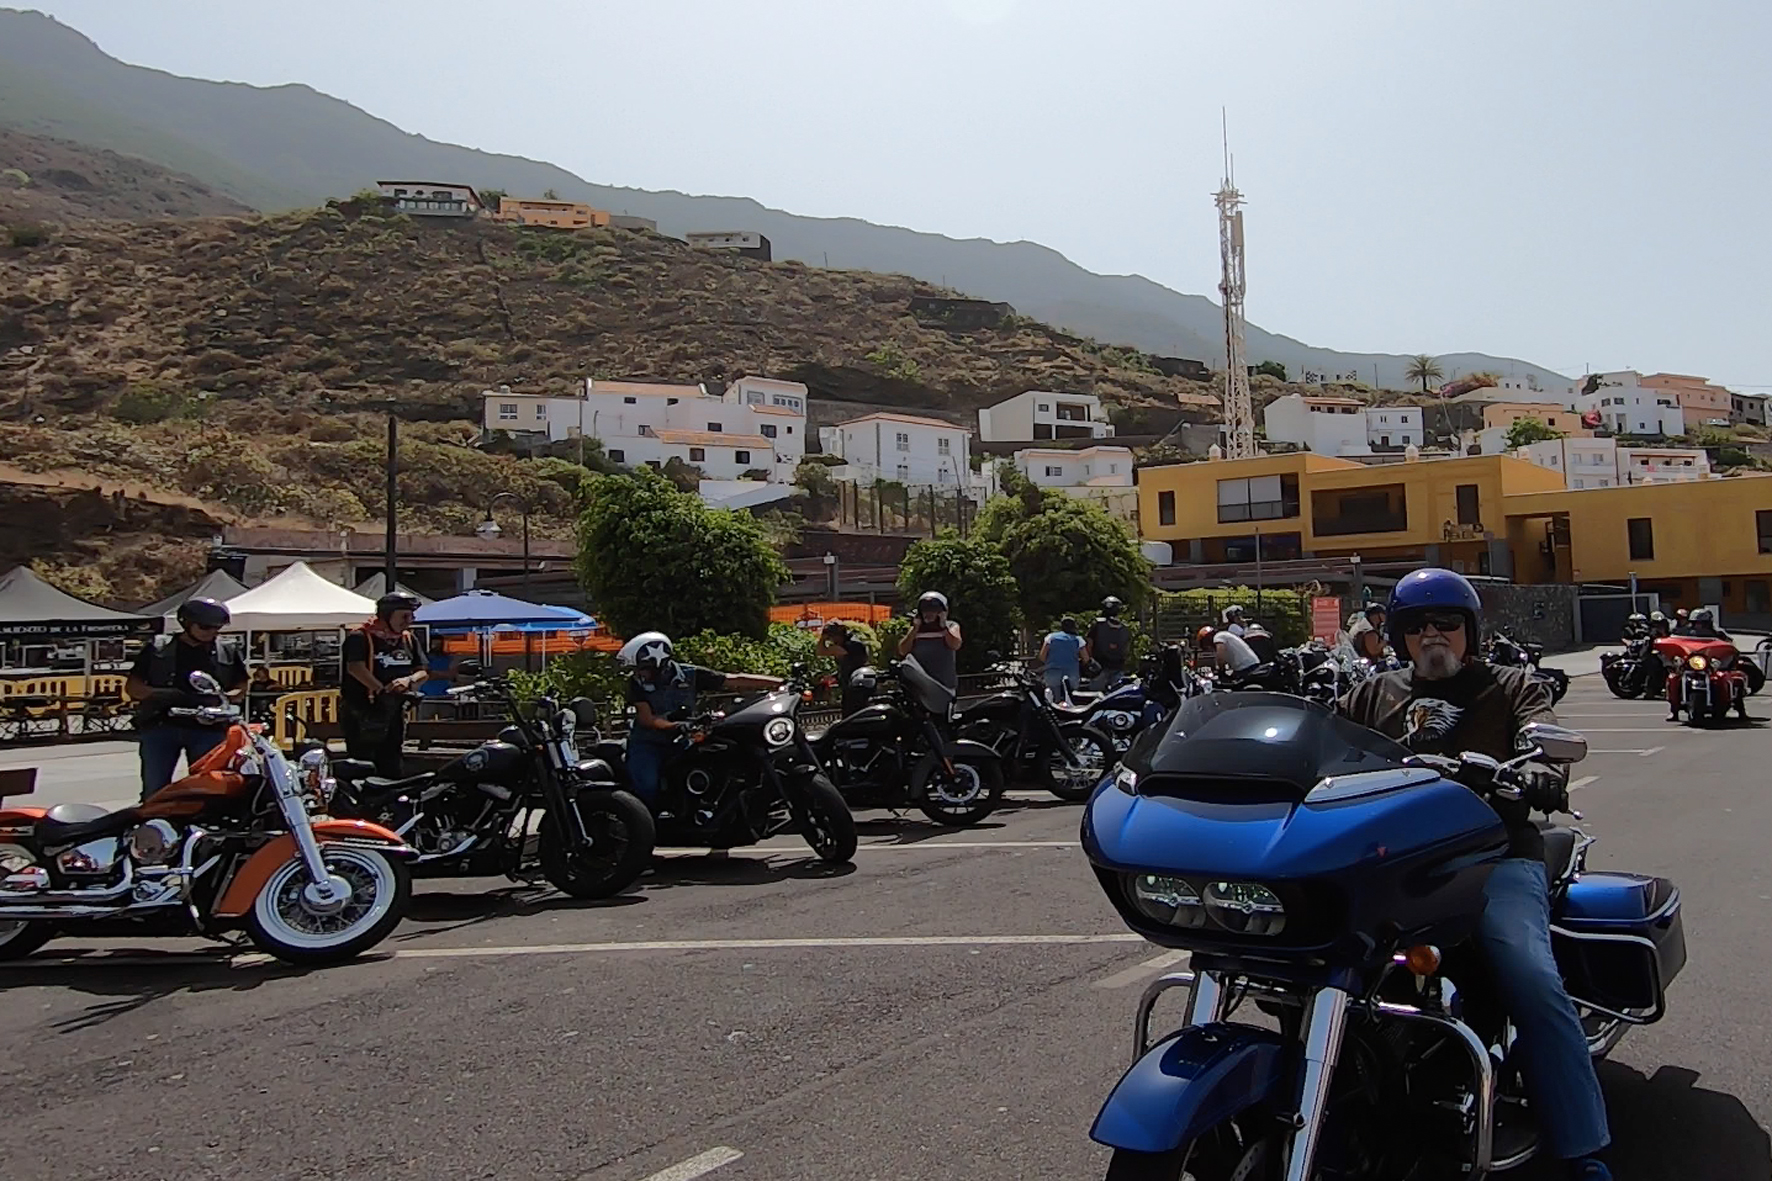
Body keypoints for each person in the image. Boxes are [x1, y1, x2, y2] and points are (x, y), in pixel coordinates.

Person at [1338, 568, 1610, 1180]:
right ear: (1401, 635)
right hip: (1394, 863)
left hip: (1495, 856)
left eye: (1448, 625)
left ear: (1469, 632)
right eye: (1419, 626)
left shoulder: (1512, 686)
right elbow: (1324, 748)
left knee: (1529, 976)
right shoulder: (1370, 694)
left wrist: (1542, 773)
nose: (1434, 636)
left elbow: (1547, 748)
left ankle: (1581, 1148)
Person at [617, 631, 781, 810]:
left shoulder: (691, 674)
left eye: (642, 668)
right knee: (648, 786)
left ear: (658, 664)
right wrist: (679, 726)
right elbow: (648, 719)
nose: (638, 673)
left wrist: (779, 683)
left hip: (685, 741)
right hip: (648, 744)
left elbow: (733, 679)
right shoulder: (636, 684)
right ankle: (648, 829)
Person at [125, 597, 249, 800]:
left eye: (217, 628)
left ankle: (201, 828)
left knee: (209, 788)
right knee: (155, 789)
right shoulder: (158, 648)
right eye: (205, 627)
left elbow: (241, 686)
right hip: (162, 726)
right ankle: (154, 827)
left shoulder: (227, 650)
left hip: (209, 728)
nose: (212, 633)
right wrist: (163, 695)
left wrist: (223, 699)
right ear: (186, 623)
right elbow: (133, 687)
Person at [340, 592, 427, 776]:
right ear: (387, 615)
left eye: (411, 616)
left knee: (392, 764)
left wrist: (408, 680)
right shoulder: (360, 637)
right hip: (364, 713)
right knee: (364, 765)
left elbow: (423, 671)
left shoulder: (408, 639)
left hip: (394, 713)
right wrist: (381, 689)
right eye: (404, 616)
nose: (409, 621)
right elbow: (355, 667)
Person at [897, 591, 962, 691]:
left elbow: (955, 645)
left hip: (943, 684)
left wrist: (943, 626)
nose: (928, 614)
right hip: (921, 685)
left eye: (933, 611)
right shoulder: (916, 630)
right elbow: (903, 650)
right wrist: (915, 629)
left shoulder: (951, 626)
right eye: (925, 611)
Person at [817, 621, 872, 716]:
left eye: (832, 637)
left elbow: (821, 651)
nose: (832, 640)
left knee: (852, 714)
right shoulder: (852, 642)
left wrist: (822, 639)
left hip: (855, 685)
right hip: (851, 682)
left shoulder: (850, 645)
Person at [1084, 597, 1133, 689]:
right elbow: (1127, 648)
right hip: (1118, 666)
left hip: (1099, 667)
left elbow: (1089, 645)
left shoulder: (1097, 625)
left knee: (1096, 696)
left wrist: (1090, 662)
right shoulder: (1124, 628)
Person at [1039, 617, 1085, 702]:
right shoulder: (1078, 639)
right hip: (1072, 673)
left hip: (1052, 673)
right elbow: (1086, 658)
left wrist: (1051, 663)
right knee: (1071, 699)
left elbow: (1042, 656)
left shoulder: (1051, 637)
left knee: (1053, 700)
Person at [416, 634, 460, 719]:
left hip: (445, 695)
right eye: (434, 644)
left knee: (447, 721)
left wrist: (434, 674)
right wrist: (444, 675)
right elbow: (425, 674)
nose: (436, 646)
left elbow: (453, 675)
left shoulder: (449, 658)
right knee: (424, 723)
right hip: (426, 696)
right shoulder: (423, 659)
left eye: (439, 644)